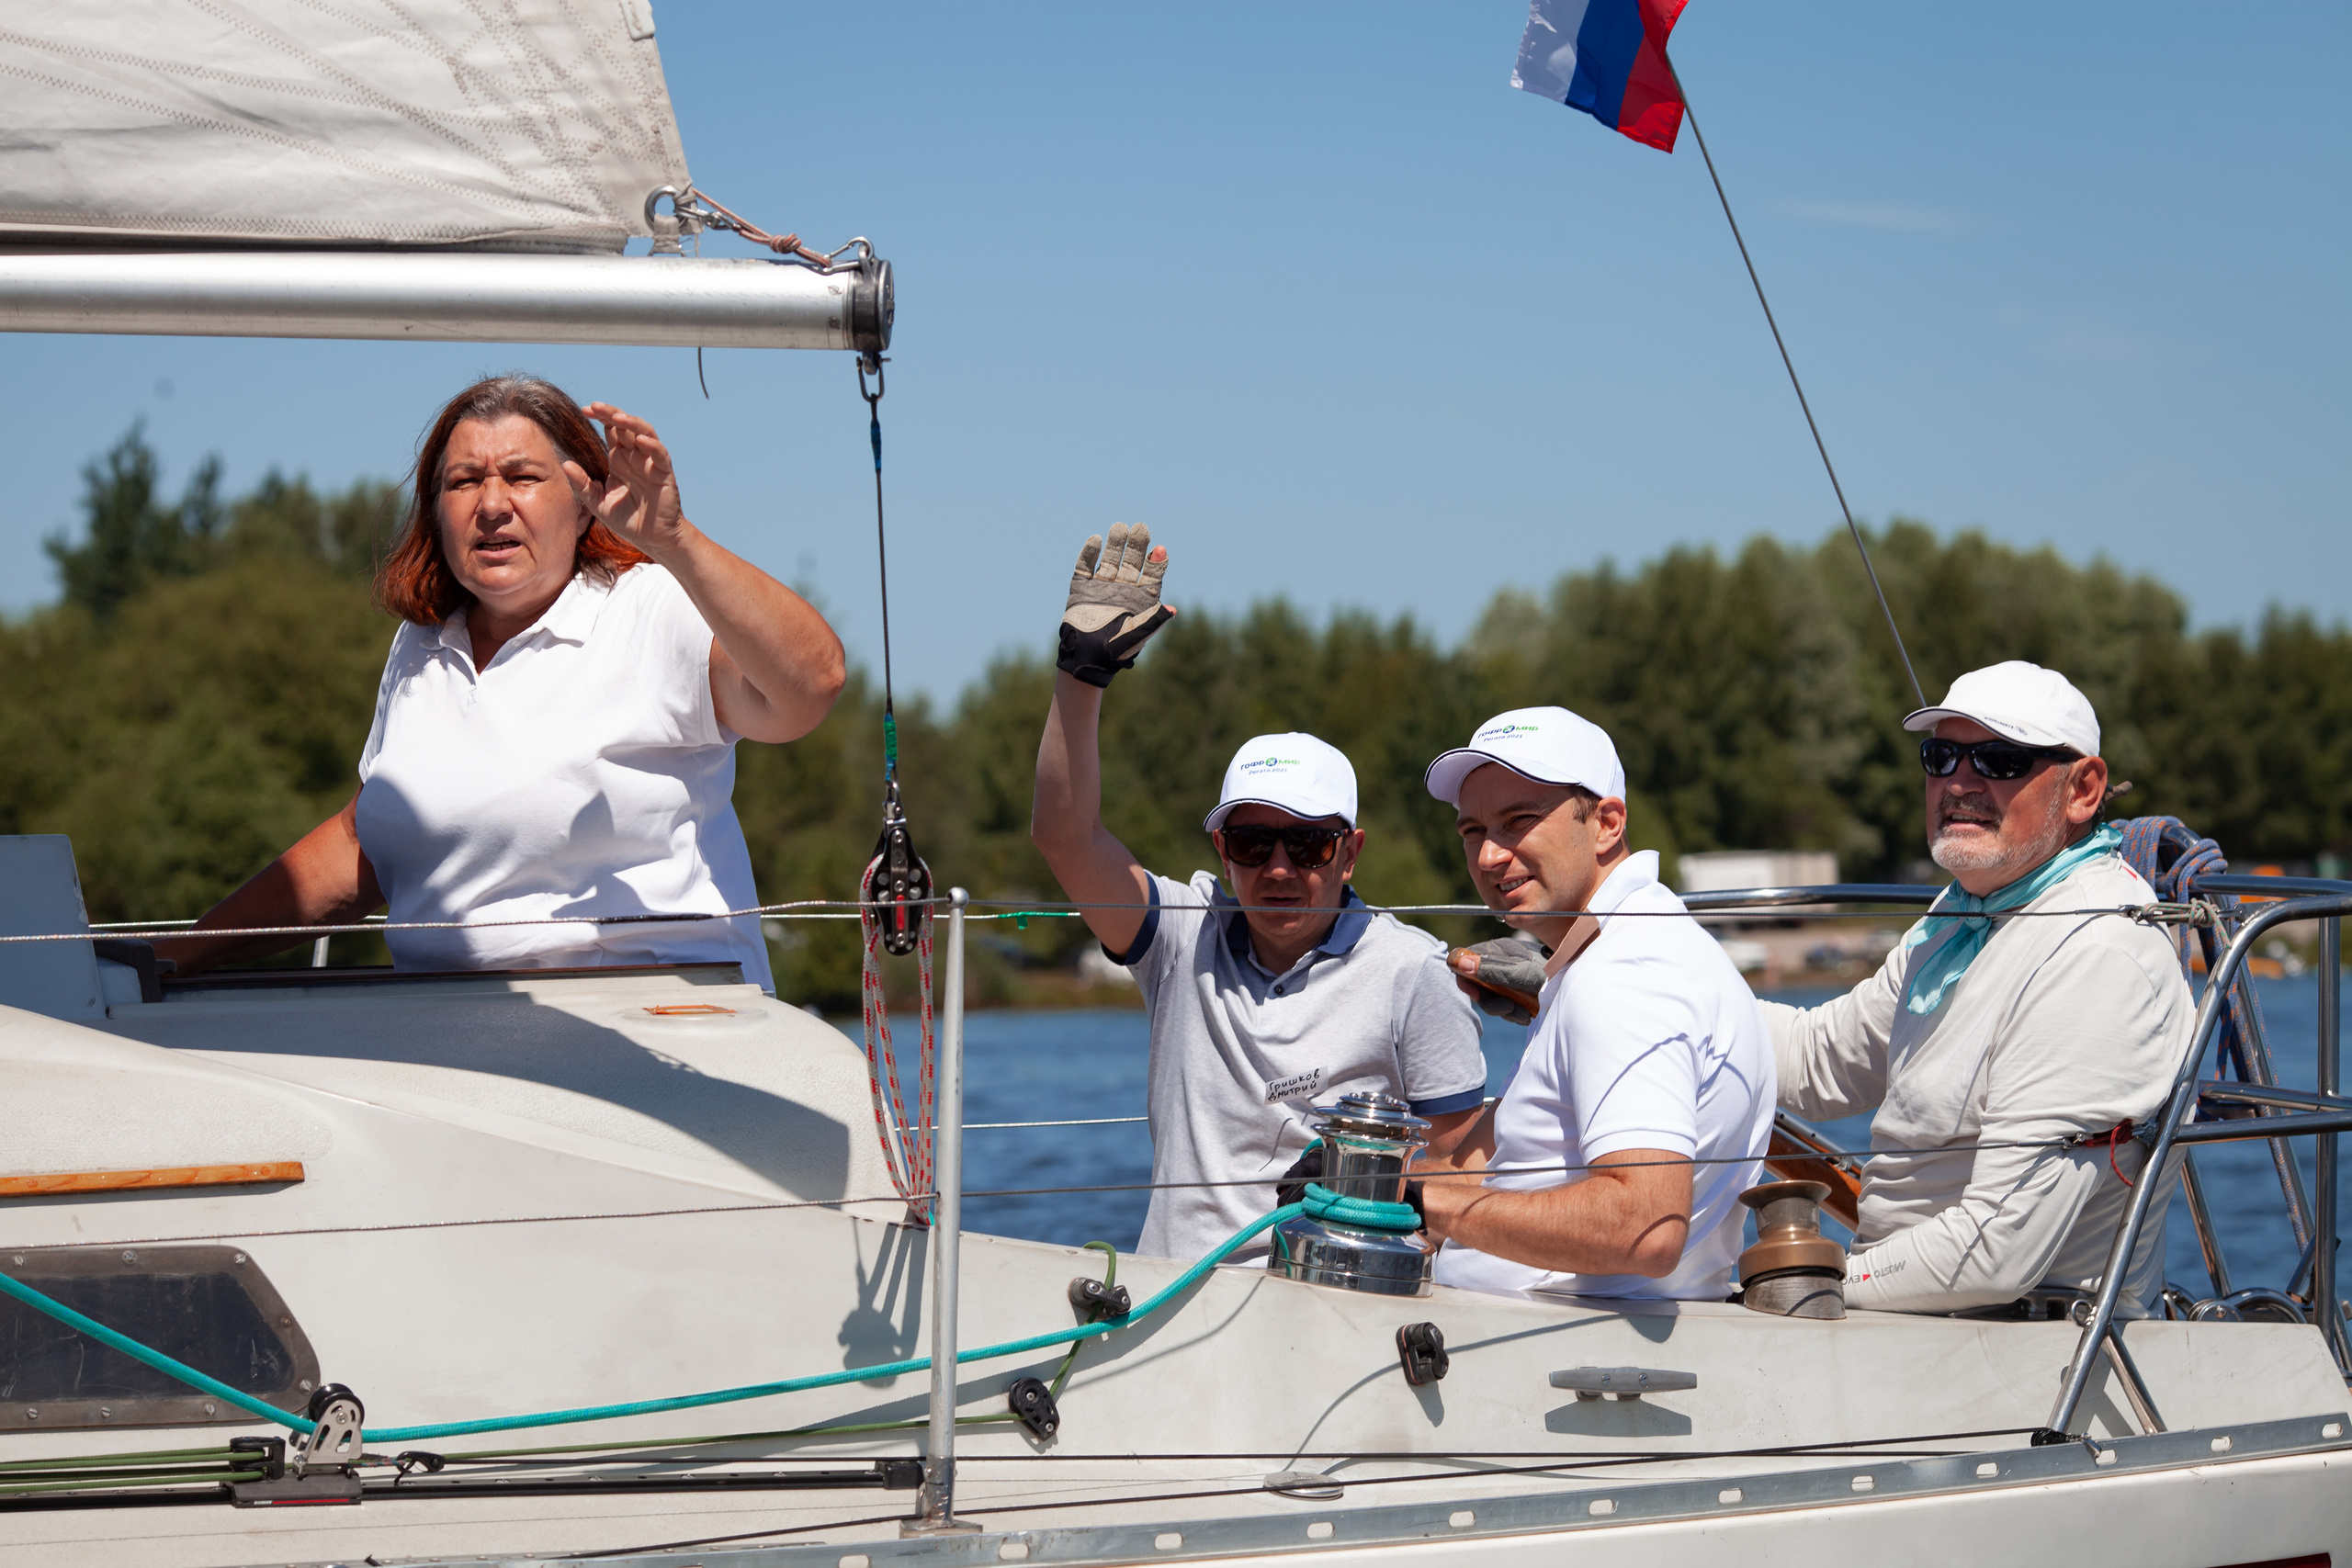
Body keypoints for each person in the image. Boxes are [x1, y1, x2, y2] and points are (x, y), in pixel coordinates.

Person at [155, 375, 845, 988]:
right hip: (455, 1053)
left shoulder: (651, 607)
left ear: (585, 504)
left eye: (521, 476)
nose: (491, 504)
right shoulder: (420, 645)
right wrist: (169, 959)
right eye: (463, 481)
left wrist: (676, 539)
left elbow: (810, 686)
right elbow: (369, 844)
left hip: (657, 1038)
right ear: (436, 512)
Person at [1030, 525, 1489, 1260]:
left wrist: (1387, 1210)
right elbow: (1065, 836)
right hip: (1171, 1300)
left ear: (1350, 852)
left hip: (1331, 1304)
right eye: (1251, 842)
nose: (1278, 867)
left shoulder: (1413, 971)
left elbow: (1463, 1163)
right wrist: (1080, 677)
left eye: (1307, 842)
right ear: (1221, 849)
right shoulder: (1183, 934)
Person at [1762, 661, 2189, 1316]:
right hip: (1914, 1320)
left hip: (2020, 1355)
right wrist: (1662, 987)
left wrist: (1823, 1282)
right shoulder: (1966, 910)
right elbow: (1822, 1063)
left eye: (1998, 758)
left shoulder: (2100, 952)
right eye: (1941, 756)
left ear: (2083, 788)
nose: (1959, 782)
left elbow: (1995, 1251)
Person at [1414, 707, 1775, 1301]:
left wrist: (1427, 1205)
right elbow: (1532, 1145)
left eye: (1517, 821)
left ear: (1607, 823)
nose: (1487, 857)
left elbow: (1644, 1225)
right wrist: (1374, 1177)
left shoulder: (1626, 973)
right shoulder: (1627, 946)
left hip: (1535, 1364)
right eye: (1473, 830)